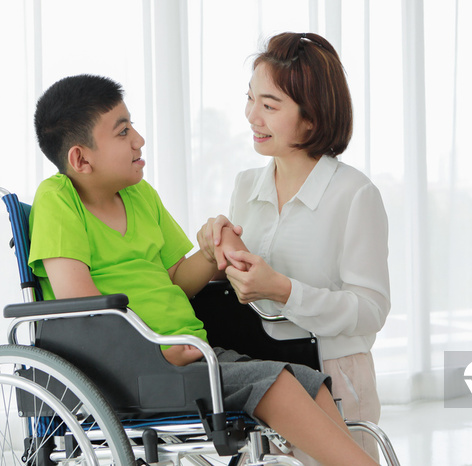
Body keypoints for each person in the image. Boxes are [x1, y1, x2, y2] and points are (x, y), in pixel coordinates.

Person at [27, 74, 377, 466]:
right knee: (278, 385)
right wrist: (151, 350)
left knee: (308, 383)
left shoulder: (140, 195)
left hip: (193, 354)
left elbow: (177, 278)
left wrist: (212, 252)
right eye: (123, 132)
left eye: (133, 126)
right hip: (134, 369)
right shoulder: (57, 200)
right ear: (80, 158)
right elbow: (81, 306)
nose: (139, 139)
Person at [199, 32, 390, 462]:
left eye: (269, 106)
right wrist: (216, 250)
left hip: (335, 376)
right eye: (250, 99)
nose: (252, 116)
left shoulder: (355, 194)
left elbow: (371, 310)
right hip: (265, 374)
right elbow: (240, 288)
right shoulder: (246, 186)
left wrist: (282, 289)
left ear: (312, 118)